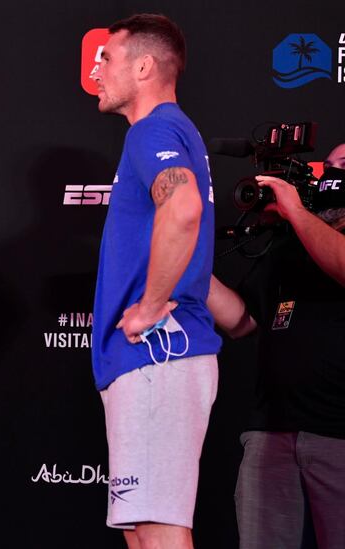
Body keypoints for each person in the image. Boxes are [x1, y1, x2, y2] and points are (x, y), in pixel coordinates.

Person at [90, 14, 221, 549]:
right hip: (155, 362)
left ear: (144, 66)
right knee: (145, 533)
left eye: (107, 58)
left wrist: (150, 305)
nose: (96, 70)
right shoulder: (171, 131)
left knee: (160, 534)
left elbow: (184, 207)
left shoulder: (154, 130)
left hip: (156, 357)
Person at [207, 144, 345, 549]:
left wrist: (296, 212)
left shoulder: (301, 226)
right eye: (333, 165)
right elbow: (242, 321)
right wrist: (188, 264)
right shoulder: (289, 244)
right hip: (271, 434)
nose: (336, 174)